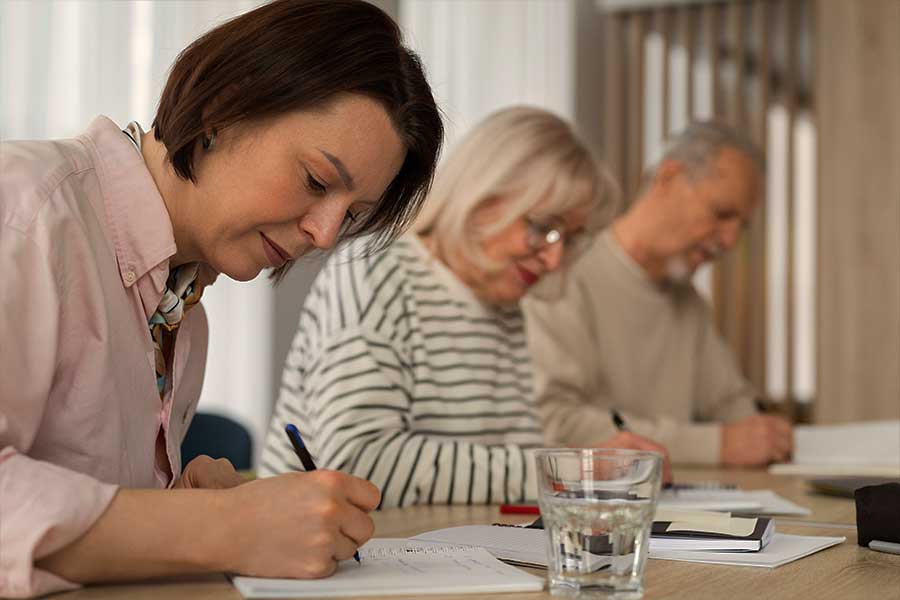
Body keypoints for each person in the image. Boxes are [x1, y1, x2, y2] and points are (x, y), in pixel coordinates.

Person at [0, 1, 443, 596]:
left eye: (352, 215)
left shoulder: (185, 311)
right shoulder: (25, 214)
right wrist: (217, 527)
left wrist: (186, 506)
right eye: (315, 180)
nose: (325, 235)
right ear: (222, 111)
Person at [260, 106, 672, 509]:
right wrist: (564, 469)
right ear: (481, 196)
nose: (554, 259)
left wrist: (569, 468)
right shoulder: (377, 273)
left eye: (570, 239)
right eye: (544, 228)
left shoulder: (502, 303)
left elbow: (504, 464)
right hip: (315, 542)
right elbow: (360, 465)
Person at [524, 121, 793, 467]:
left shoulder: (689, 304)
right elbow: (555, 424)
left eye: (740, 226)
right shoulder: (563, 274)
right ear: (669, 178)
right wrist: (715, 446)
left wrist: (766, 435)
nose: (729, 240)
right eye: (722, 214)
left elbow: (733, 408)